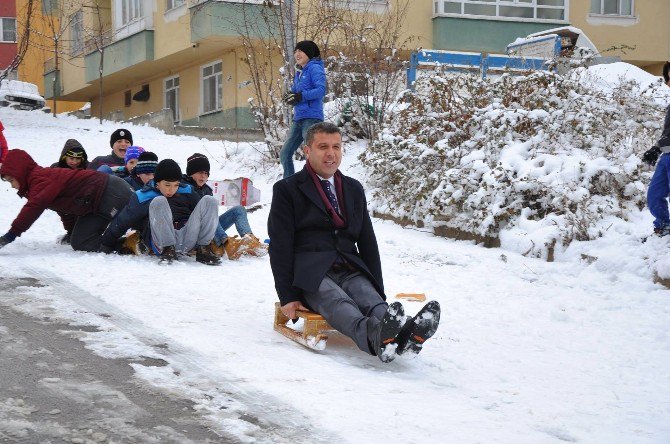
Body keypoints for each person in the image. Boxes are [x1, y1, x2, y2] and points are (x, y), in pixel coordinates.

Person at [268, 122, 441, 362]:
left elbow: (367, 241)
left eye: (336, 147)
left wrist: (379, 291)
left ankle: (407, 335)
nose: (331, 153)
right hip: (312, 273)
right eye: (323, 147)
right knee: (339, 302)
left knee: (371, 301)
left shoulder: (353, 188)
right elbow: (280, 245)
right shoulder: (287, 190)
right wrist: (287, 295)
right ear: (307, 151)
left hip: (349, 266)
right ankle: (373, 338)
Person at [0, 149, 133, 251]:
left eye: (12, 180)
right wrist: (71, 232)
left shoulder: (41, 179)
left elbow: (33, 208)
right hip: (94, 205)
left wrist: (11, 235)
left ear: (21, 173)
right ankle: (128, 244)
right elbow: (65, 209)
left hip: (110, 191)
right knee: (80, 242)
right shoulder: (36, 185)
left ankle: (139, 239)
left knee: (137, 219)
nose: (12, 185)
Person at [100, 159, 221, 265]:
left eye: (176, 185)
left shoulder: (187, 191)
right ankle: (168, 249)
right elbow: (122, 222)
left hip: (187, 238)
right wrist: (106, 245)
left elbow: (204, 214)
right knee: (159, 201)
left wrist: (218, 238)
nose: (172, 190)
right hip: (160, 242)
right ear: (157, 182)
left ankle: (203, 249)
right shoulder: (143, 196)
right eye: (167, 185)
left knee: (209, 201)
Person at [182, 153, 267, 260]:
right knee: (210, 214)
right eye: (200, 172)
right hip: (191, 232)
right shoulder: (183, 187)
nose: (203, 176)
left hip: (208, 229)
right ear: (191, 173)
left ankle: (251, 241)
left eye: (206, 173)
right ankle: (226, 243)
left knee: (238, 210)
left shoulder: (207, 190)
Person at [279, 40, 326, 178]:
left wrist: (300, 96)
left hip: (311, 118)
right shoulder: (299, 71)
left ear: (309, 53)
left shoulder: (315, 68)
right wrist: (290, 97)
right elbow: (296, 93)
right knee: (285, 153)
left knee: (311, 154)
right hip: (299, 118)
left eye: (300, 51)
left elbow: (321, 90)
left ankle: (315, 184)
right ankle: (289, 186)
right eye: (295, 51)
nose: (297, 54)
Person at [644, 61, 670, 235]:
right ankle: (664, 225)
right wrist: (656, 148)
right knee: (654, 195)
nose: (668, 81)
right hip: (667, 155)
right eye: (667, 78)